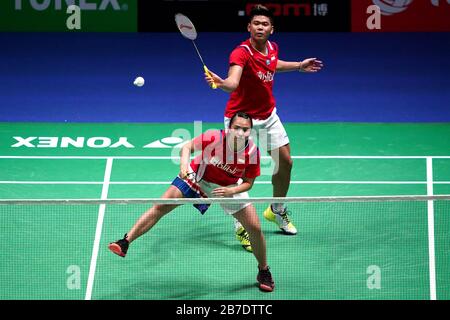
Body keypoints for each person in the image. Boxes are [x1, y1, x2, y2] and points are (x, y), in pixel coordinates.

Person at [108, 112, 275, 292]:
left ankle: (263, 270)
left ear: (250, 131)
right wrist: (183, 168)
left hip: (228, 187)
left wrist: (231, 191)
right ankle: (125, 241)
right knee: (161, 206)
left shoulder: (252, 153)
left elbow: (249, 183)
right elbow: (187, 147)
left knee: (255, 228)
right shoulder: (214, 137)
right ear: (229, 128)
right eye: (237, 128)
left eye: (245, 129)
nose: (241, 133)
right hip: (198, 178)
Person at [205, 4, 323, 252]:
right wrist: (222, 83)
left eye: (264, 24)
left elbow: (272, 64)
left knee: (286, 163)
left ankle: (276, 210)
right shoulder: (241, 53)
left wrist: (299, 65)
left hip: (268, 116)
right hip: (241, 121)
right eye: (256, 23)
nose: (260, 27)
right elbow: (233, 82)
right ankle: (241, 226)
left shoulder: (272, 48)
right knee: (235, 174)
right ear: (249, 27)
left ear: (272, 29)